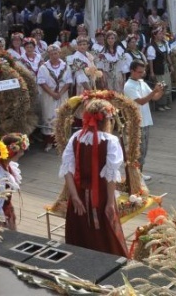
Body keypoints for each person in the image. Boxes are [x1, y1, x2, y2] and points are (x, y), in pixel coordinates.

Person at [59, 98, 128, 257]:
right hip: (101, 196)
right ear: (107, 120)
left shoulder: (76, 137)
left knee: (80, 232)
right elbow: (110, 176)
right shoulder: (111, 141)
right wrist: (110, 203)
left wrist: (74, 197)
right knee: (105, 235)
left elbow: (67, 170)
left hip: (78, 194)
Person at [123, 60, 164, 181]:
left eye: (143, 71)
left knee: (144, 150)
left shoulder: (142, 82)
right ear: (132, 71)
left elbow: (154, 98)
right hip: (136, 122)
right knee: (137, 151)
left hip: (146, 121)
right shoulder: (128, 86)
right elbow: (141, 101)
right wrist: (154, 91)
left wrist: (161, 90)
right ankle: (135, 176)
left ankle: (139, 174)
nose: (142, 74)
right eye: (139, 72)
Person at [38, 45, 73, 151]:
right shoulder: (44, 67)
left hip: (62, 95)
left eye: (56, 53)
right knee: (49, 116)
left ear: (59, 53)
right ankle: (49, 142)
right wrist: (53, 93)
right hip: (49, 95)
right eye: (52, 54)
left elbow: (68, 82)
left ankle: (61, 141)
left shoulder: (65, 66)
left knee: (62, 116)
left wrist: (60, 93)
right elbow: (42, 82)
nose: (54, 55)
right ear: (49, 55)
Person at [0, 133, 29, 230]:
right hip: (0, 214)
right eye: (21, 150)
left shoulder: (8, 165)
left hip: (7, 209)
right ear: (12, 151)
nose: (22, 153)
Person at [147, 27, 173, 111]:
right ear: (155, 35)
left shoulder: (164, 44)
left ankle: (165, 103)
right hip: (158, 68)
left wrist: (171, 65)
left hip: (165, 67)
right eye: (160, 34)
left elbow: (167, 55)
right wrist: (152, 72)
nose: (162, 35)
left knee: (167, 84)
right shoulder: (152, 47)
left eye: (162, 33)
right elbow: (150, 60)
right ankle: (159, 105)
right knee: (160, 86)